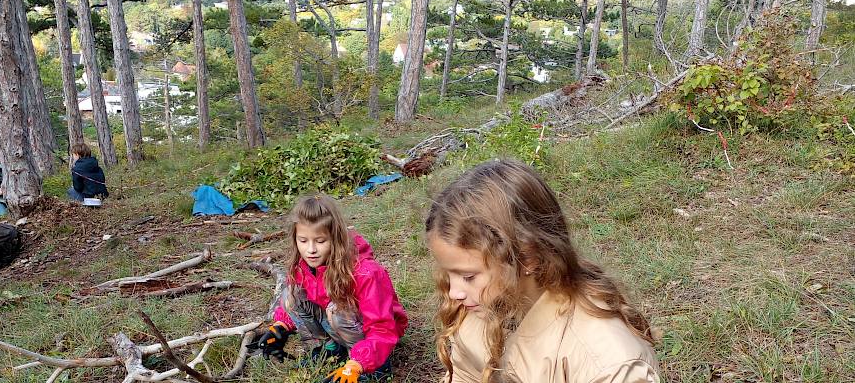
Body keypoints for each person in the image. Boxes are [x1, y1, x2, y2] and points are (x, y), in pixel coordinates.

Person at [427, 159, 659, 383]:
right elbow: (465, 374)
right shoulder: (479, 308)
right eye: (449, 274)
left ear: (528, 258)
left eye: (468, 277)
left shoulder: (606, 361)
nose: (454, 292)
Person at [254, 194, 408, 382]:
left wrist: (357, 365)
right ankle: (328, 350)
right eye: (303, 240)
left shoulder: (366, 273)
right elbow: (302, 302)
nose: (311, 249)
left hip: (372, 338)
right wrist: (280, 326)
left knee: (337, 310)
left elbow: (382, 329)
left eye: (320, 241)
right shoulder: (302, 265)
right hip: (339, 325)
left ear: (335, 238)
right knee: (291, 295)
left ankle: (370, 367)